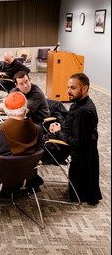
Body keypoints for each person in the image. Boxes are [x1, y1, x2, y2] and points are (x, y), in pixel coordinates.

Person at [48, 73, 102, 205]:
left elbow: (77, 142)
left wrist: (59, 131)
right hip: (69, 142)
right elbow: (76, 129)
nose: (68, 91)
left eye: (73, 88)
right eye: (68, 87)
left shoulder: (82, 111)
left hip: (63, 147)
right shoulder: (81, 104)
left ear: (84, 89)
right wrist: (61, 126)